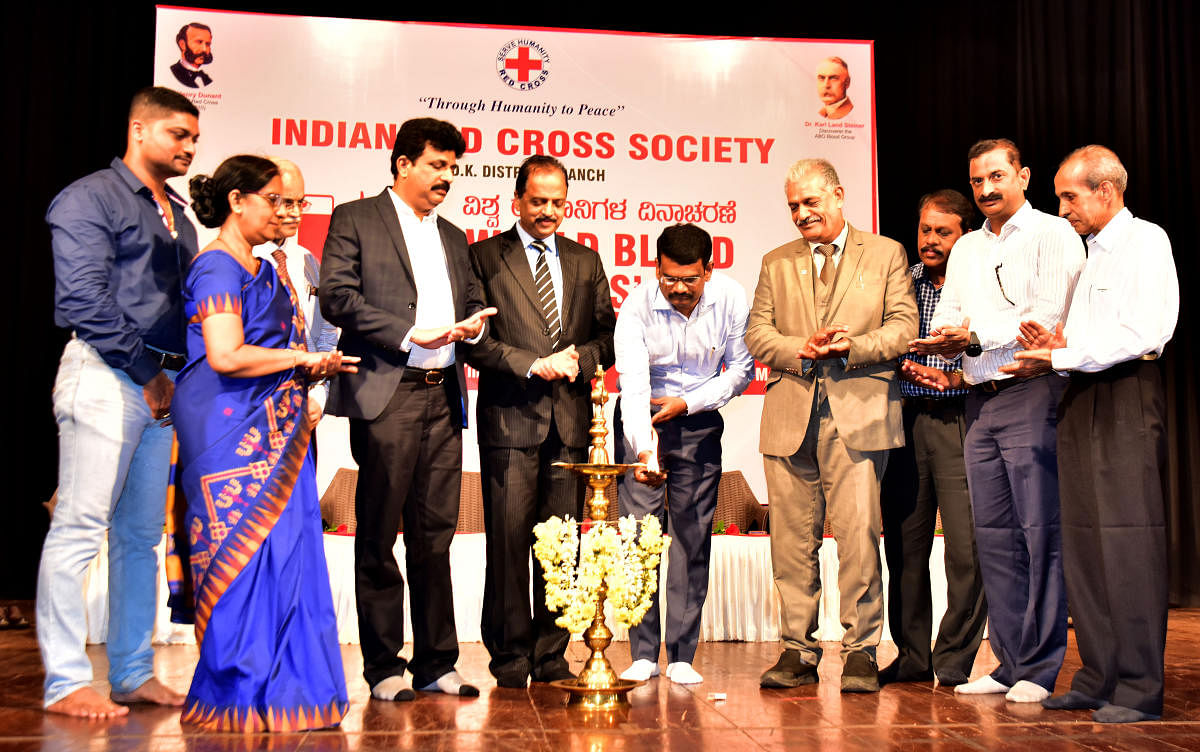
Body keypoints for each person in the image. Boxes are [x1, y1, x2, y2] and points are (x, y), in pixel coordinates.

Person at [167, 155, 357, 732]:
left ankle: (291, 693)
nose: (285, 212)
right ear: (237, 201)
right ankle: (237, 692)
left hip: (283, 431)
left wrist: (308, 366)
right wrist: (303, 359)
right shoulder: (218, 268)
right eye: (273, 200)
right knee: (240, 561)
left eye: (289, 202)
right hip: (227, 431)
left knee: (290, 555)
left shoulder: (267, 267)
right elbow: (225, 355)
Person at [320, 118, 493, 702]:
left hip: (443, 393)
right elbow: (339, 296)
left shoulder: (454, 236)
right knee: (379, 533)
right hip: (387, 389)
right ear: (402, 164)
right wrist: (408, 333)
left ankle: (438, 662)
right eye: (437, 165)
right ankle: (383, 667)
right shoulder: (355, 218)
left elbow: (470, 300)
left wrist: (471, 324)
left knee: (434, 534)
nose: (447, 177)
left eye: (453, 167)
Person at [40, 86, 199, 719]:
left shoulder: (178, 214)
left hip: (162, 385)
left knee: (139, 537)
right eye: (178, 136)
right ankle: (64, 681)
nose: (189, 148)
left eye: (194, 139)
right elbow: (82, 298)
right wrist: (144, 371)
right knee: (79, 527)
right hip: (107, 373)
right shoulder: (89, 197)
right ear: (139, 130)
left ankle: (132, 673)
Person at [1008, 146, 1177, 723]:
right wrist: (1057, 347)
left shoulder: (1145, 241)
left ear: (1106, 190)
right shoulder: (1090, 254)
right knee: (1085, 540)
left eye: (1070, 197)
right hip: (1080, 391)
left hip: (1126, 393)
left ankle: (1138, 687)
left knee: (1128, 540)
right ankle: (1098, 676)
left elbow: (1143, 329)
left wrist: (1066, 354)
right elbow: (1091, 335)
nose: (1063, 209)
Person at [912, 138, 1083, 703]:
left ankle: (1041, 664)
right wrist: (947, 337)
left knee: (1040, 533)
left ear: (1023, 175)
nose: (986, 189)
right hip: (979, 399)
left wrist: (979, 336)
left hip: (1033, 390)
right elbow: (955, 312)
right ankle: (1009, 662)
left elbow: (1046, 316)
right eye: (977, 180)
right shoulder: (966, 250)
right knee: (995, 539)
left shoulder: (1052, 234)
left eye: (996, 177)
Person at [747, 158, 917, 693]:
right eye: (793, 205)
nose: (801, 213)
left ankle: (861, 650)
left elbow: (904, 327)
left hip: (858, 415)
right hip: (790, 415)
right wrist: (801, 348)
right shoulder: (777, 263)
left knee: (859, 539)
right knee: (791, 543)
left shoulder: (886, 253)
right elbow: (757, 333)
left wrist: (853, 347)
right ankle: (797, 652)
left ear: (839, 196)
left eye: (811, 202)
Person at [468, 154, 616, 688]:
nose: (549, 211)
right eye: (538, 201)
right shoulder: (483, 257)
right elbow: (475, 340)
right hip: (510, 420)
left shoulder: (585, 260)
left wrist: (584, 360)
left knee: (561, 548)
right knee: (508, 546)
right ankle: (509, 657)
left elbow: (607, 334)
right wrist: (532, 364)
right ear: (516, 202)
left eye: (557, 201)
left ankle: (552, 653)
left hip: (569, 425)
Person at [613, 223, 754, 686]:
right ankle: (642, 652)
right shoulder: (636, 306)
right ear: (656, 268)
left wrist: (689, 404)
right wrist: (643, 450)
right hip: (644, 421)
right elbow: (632, 386)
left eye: (689, 279)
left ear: (708, 271)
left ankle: (681, 655)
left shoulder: (731, 299)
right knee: (639, 539)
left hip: (698, 420)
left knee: (692, 538)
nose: (678, 289)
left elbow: (740, 370)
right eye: (669, 278)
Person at [879, 190, 987, 687]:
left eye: (943, 232)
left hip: (960, 419)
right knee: (905, 546)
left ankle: (954, 659)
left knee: (965, 548)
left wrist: (951, 372)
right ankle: (913, 655)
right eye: (925, 230)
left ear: (964, 236)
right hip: (904, 421)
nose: (930, 240)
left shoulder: (980, 286)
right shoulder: (902, 284)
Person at [252, 158, 339, 413]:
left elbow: (326, 334)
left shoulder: (308, 260)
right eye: (286, 202)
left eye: (300, 202)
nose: (297, 212)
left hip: (301, 402)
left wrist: (319, 396)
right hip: (250, 406)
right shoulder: (239, 259)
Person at [170, 23, 214, 89]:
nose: (204, 49)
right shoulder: (174, 72)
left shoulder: (206, 77)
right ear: (182, 44)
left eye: (207, 44)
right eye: (199, 42)